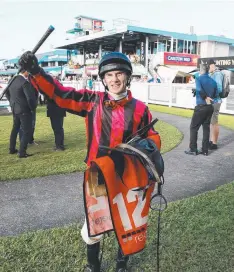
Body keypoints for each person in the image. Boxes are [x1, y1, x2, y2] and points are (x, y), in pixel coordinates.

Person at [18, 51, 161, 272]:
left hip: (128, 177)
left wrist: (147, 146)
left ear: (127, 77)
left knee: (126, 221)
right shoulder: (91, 101)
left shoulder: (141, 109)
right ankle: (93, 265)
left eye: (119, 74)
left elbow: (152, 137)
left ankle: (122, 263)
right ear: (103, 79)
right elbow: (59, 94)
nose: (115, 79)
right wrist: (36, 72)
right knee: (95, 223)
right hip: (98, 176)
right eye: (110, 75)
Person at [185, 64, 218, 156]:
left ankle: (193, 149)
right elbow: (215, 95)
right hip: (210, 107)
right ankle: (205, 150)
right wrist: (207, 96)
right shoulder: (213, 81)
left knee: (193, 128)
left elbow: (199, 88)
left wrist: (204, 96)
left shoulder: (199, 79)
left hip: (201, 107)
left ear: (201, 70)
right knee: (206, 128)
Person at [5, 70, 37, 158]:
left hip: (15, 108)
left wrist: (12, 103)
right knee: (27, 131)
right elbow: (30, 98)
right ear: (25, 71)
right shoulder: (24, 82)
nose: (30, 73)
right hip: (24, 110)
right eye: (28, 71)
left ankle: (12, 149)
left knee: (15, 129)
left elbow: (6, 93)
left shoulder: (12, 80)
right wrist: (32, 108)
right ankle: (22, 152)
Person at [208, 59, 224, 150]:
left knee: (214, 122)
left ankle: (214, 143)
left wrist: (209, 94)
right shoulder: (213, 74)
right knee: (212, 122)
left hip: (215, 101)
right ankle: (212, 141)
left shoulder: (217, 74)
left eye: (208, 67)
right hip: (214, 101)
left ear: (211, 65)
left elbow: (219, 88)